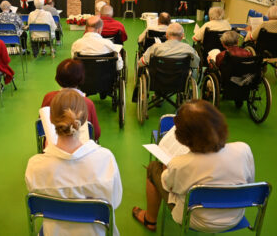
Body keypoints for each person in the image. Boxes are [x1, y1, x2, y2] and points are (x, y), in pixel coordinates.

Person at [132, 100, 254, 233]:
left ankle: (149, 220)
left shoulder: (180, 164)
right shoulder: (244, 149)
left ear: (183, 137)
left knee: (152, 168)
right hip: (235, 216)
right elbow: (248, 182)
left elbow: (168, 186)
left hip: (195, 220)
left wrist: (166, 170)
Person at [25, 89, 122, 236]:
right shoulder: (105, 160)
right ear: (84, 120)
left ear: (51, 120)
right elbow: (115, 201)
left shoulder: (35, 165)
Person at [41, 59, 101, 141]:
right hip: (81, 148)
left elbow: (42, 126)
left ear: (58, 77)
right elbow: (96, 133)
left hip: (52, 145)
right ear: (81, 78)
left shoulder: (48, 97)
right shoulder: (87, 103)